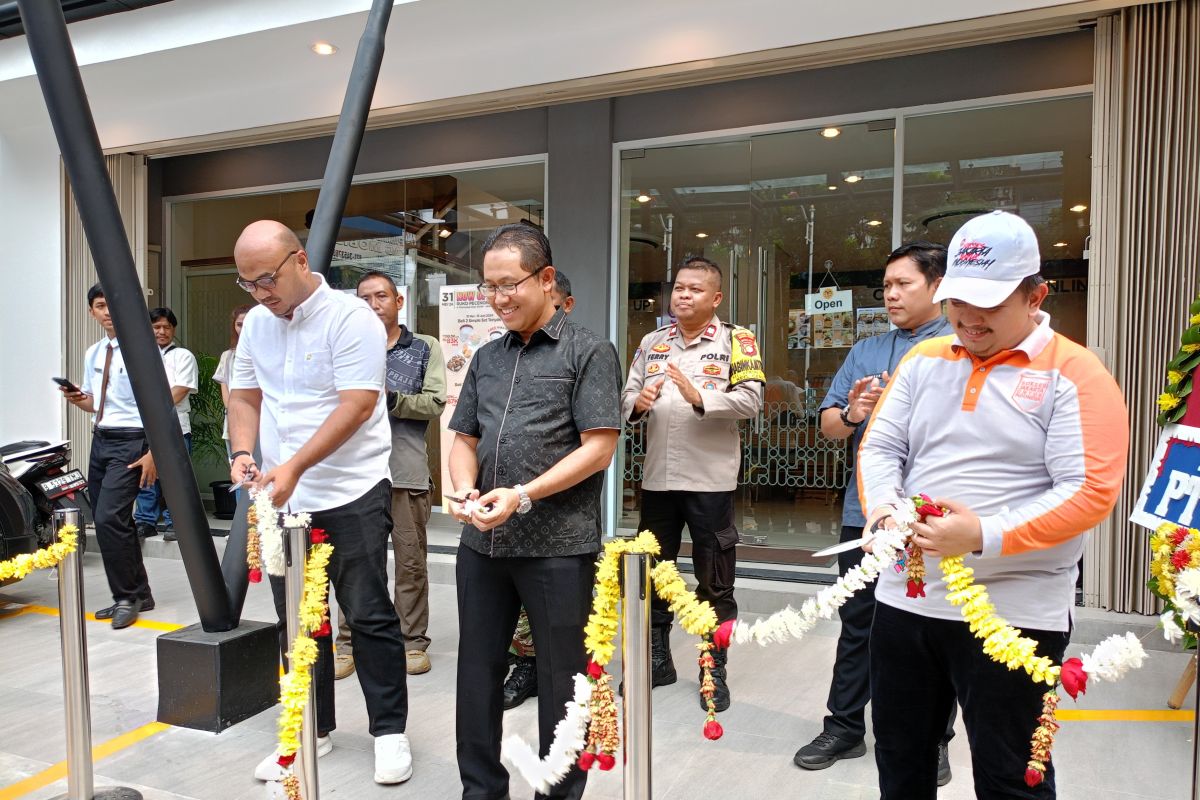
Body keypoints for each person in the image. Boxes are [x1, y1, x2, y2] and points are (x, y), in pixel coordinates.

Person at [858, 211, 1129, 799]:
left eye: (989, 302)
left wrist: (982, 533)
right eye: (958, 299)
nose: (968, 317)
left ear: (1036, 295)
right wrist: (884, 510)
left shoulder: (1076, 373)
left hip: (1016, 610)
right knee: (901, 760)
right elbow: (882, 446)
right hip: (908, 597)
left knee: (1011, 775)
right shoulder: (923, 360)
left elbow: (1089, 491)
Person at [227, 220, 413, 786]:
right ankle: (314, 730)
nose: (261, 294)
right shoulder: (258, 323)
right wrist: (241, 452)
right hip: (286, 495)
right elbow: (243, 394)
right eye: (248, 284)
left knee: (367, 610)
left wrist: (296, 465)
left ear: (300, 260)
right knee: (297, 620)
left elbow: (356, 405)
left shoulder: (351, 318)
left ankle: (389, 732)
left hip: (350, 488)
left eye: (267, 279)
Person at [447, 225, 620, 800]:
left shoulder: (589, 351)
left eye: (509, 284)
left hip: (558, 547)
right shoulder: (486, 357)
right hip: (482, 546)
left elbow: (599, 446)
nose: (498, 298)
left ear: (546, 280)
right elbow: (463, 437)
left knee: (563, 683)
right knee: (476, 675)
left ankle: (561, 792)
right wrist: (465, 489)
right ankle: (481, 790)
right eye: (488, 287)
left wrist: (522, 495)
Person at [794, 242, 958, 783]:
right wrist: (853, 410)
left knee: (933, 628)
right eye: (885, 286)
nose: (890, 294)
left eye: (902, 284)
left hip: (934, 516)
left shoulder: (959, 344)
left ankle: (934, 740)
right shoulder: (865, 351)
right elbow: (829, 426)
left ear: (936, 286)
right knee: (857, 623)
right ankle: (844, 727)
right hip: (864, 510)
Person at [620, 255, 764, 712]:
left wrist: (699, 395)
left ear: (715, 297)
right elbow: (627, 396)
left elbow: (751, 401)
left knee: (715, 581)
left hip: (709, 481)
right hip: (658, 480)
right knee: (654, 575)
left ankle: (712, 667)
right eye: (678, 288)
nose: (682, 295)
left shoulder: (737, 341)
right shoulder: (653, 341)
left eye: (694, 289)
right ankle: (658, 660)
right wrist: (638, 403)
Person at [332, 270, 446, 680]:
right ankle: (348, 643)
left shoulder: (423, 348)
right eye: (364, 298)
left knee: (411, 562)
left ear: (399, 302)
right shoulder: (343, 347)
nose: (373, 303)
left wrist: (389, 397)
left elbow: (435, 402)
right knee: (355, 564)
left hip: (405, 470)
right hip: (354, 472)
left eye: (382, 296)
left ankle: (412, 641)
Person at [59, 283, 157, 629]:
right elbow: (95, 403)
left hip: (133, 440)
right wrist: (77, 398)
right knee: (118, 521)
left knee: (107, 519)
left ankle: (125, 597)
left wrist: (153, 452)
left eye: (112, 305)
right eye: (100, 306)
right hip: (101, 438)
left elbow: (159, 406)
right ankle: (141, 593)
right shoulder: (94, 352)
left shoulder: (143, 350)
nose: (107, 312)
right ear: (92, 312)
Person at [502, 268, 574, 711]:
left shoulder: (583, 354)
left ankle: (553, 671)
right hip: (505, 514)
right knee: (517, 610)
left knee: (562, 630)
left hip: (559, 516)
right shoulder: (500, 357)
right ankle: (524, 665)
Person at [132, 307, 197, 542]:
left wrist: (151, 408)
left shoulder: (183, 356)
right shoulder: (138, 356)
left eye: (166, 327)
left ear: (173, 330)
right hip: (142, 427)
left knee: (175, 477)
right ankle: (145, 521)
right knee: (145, 476)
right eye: (156, 327)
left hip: (175, 426)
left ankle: (175, 522)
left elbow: (180, 390)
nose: (162, 331)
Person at [212, 303, 253, 462]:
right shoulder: (228, 356)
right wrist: (234, 412)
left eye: (248, 324)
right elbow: (224, 385)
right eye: (239, 324)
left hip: (263, 420)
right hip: (235, 419)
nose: (243, 328)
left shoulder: (269, 352)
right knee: (240, 470)